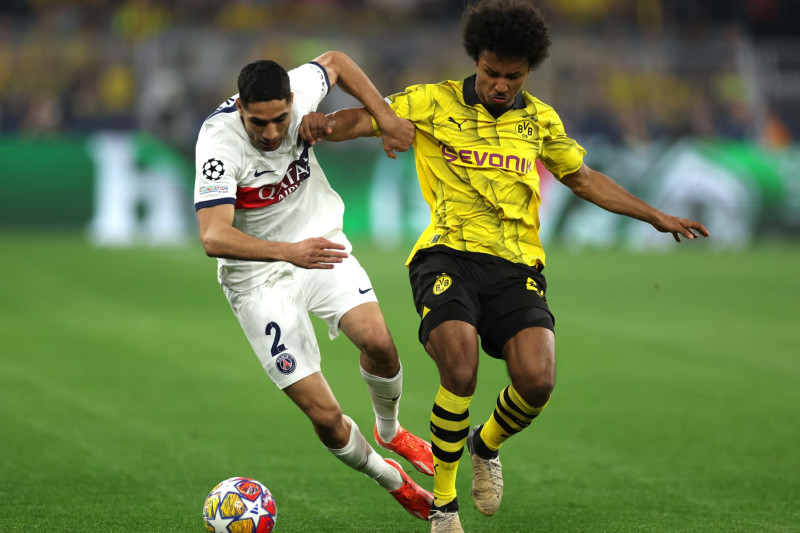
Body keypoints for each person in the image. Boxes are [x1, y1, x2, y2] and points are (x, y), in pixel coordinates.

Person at [300, 1, 710, 531]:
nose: (499, 83)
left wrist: (654, 216)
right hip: (446, 254)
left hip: (517, 266)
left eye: (512, 76)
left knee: (537, 381)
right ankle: (443, 507)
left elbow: (581, 178)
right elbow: (362, 119)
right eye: (491, 71)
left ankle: (484, 444)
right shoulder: (433, 101)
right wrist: (321, 124)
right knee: (461, 368)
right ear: (477, 59)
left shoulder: (540, 120)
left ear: (529, 71)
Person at [193, 51, 434, 521]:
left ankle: (390, 429)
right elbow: (213, 236)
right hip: (257, 279)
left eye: (280, 119)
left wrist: (385, 118)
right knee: (324, 415)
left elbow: (337, 61)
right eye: (258, 123)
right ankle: (392, 480)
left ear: (291, 101)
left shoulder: (301, 94)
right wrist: (289, 252)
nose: (270, 133)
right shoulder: (218, 144)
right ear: (240, 107)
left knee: (380, 343)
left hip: (318, 245)